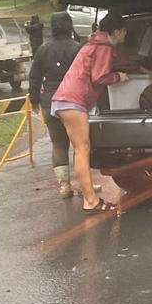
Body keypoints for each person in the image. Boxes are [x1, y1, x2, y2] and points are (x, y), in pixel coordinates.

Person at [50, 13, 131, 213]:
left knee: (81, 149)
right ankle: (90, 201)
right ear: (118, 31)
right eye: (125, 32)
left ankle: (90, 198)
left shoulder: (94, 43)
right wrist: (118, 77)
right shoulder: (103, 47)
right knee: (82, 150)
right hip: (72, 101)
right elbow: (99, 76)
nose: (125, 36)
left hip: (67, 100)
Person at [27, 11, 87, 199]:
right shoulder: (77, 48)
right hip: (73, 102)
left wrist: (35, 100)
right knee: (80, 145)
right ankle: (86, 185)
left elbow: (34, 77)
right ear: (70, 26)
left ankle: (64, 186)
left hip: (49, 102)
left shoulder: (43, 49)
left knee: (58, 145)